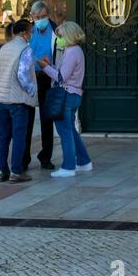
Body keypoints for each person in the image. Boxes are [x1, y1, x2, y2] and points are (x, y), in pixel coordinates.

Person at [40, 20, 90, 178]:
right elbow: (63, 72)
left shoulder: (72, 52)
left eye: (60, 36)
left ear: (68, 36)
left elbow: (61, 77)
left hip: (67, 95)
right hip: (73, 94)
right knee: (71, 130)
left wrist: (44, 67)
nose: (58, 39)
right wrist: (51, 65)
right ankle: (84, 161)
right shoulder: (75, 51)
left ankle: (68, 166)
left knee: (65, 131)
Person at [0, 19, 37, 183]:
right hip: (18, 100)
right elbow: (23, 74)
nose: (31, 34)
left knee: (4, 136)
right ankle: (16, 171)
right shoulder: (25, 49)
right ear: (24, 33)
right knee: (19, 136)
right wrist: (32, 90)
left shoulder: (4, 47)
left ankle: (2, 170)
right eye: (30, 31)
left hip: (2, 99)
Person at [25, 0, 59, 171]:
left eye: (44, 16)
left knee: (47, 119)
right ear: (32, 17)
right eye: (38, 17)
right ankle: (24, 158)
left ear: (48, 15)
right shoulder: (28, 31)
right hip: (30, 77)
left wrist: (51, 66)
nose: (41, 19)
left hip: (48, 77)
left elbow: (61, 55)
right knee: (27, 118)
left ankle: (46, 157)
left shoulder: (56, 31)